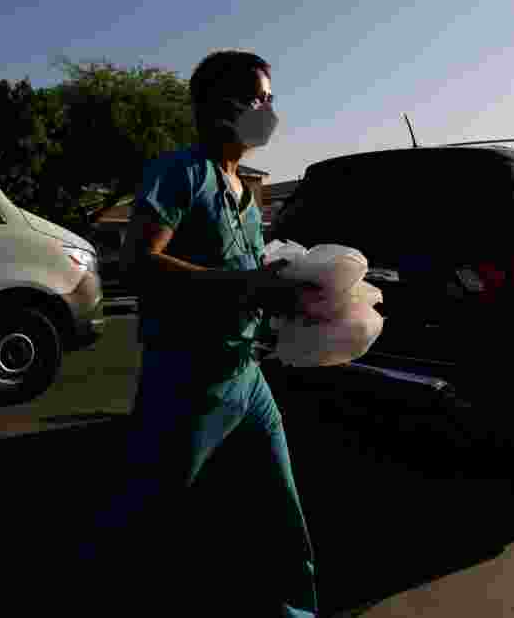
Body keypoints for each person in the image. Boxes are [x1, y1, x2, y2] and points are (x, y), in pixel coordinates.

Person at [84, 49, 319, 617]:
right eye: (260, 99)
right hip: (187, 378)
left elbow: (249, 276)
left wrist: (288, 298)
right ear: (221, 106)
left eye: (270, 99)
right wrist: (246, 285)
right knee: (151, 511)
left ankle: (294, 609)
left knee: (276, 508)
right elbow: (139, 262)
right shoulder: (180, 173)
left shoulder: (243, 188)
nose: (269, 110)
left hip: (246, 375)